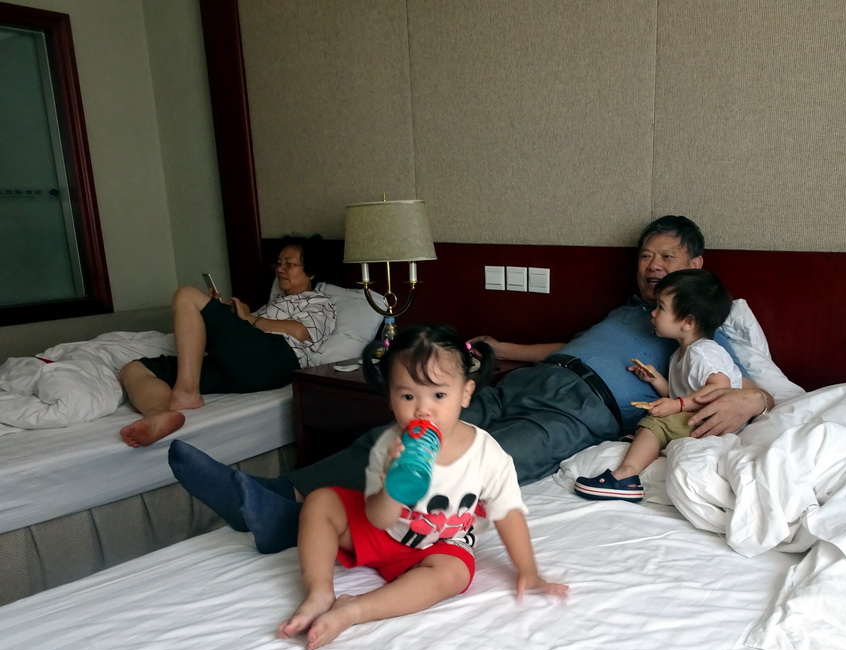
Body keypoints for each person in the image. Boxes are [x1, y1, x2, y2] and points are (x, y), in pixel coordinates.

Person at [167, 215, 776, 552]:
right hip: (539, 376)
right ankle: (277, 497)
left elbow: (747, 384)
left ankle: (313, 522)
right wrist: (501, 346)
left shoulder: (709, 322)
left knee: (482, 460)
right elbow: (570, 347)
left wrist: (755, 397)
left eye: (665, 257)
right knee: (410, 430)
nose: (651, 266)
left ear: (696, 265)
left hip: (582, 412)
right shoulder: (629, 312)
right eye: (645, 255)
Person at [275, 324, 567, 650]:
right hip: (388, 533)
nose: (422, 409)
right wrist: (389, 482)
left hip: (439, 546)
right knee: (320, 501)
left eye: (439, 395)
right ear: (390, 397)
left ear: (465, 393)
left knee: (455, 573)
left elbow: (507, 513)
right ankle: (318, 592)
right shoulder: (389, 444)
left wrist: (528, 570)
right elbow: (379, 519)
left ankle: (354, 610)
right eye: (407, 395)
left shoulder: (487, 453)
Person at [118, 241, 336, 447]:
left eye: (289, 264)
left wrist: (249, 319)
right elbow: (244, 333)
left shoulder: (319, 302)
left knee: (186, 295)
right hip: (242, 368)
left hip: (277, 359)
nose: (280, 269)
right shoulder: (273, 304)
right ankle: (158, 416)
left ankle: (187, 391)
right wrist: (224, 314)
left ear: (312, 272)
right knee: (134, 369)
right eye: (278, 263)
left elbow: (300, 331)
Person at [574, 269, 742, 502]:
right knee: (657, 418)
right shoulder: (680, 354)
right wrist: (656, 380)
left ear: (688, 322)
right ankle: (647, 446)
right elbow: (680, 395)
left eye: (661, 307)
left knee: (657, 422)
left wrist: (676, 405)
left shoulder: (704, 352)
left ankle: (626, 477)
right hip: (698, 415)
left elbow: (719, 389)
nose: (653, 313)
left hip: (715, 422)